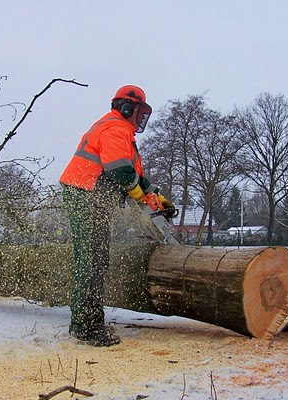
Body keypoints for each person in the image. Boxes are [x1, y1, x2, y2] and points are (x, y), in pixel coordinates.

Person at [59, 85, 175, 347]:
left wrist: (154, 195)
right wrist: (137, 193)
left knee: (95, 257)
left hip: (89, 194)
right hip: (85, 191)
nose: (140, 118)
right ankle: (86, 327)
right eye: (138, 111)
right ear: (127, 107)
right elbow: (118, 168)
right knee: (92, 258)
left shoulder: (122, 133)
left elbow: (133, 173)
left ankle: (85, 322)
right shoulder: (115, 127)